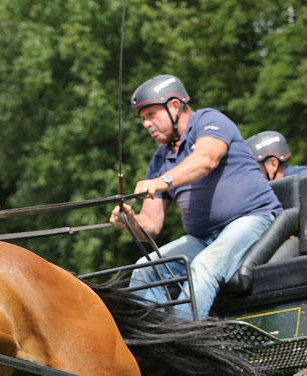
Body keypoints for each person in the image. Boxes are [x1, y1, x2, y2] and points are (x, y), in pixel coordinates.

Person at [109, 74, 282, 318]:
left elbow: (206, 160)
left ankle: (179, 343)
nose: (146, 124)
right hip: (203, 237)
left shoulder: (209, 121)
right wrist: (130, 220)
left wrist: (162, 181)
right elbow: (152, 226)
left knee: (203, 267)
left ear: (175, 105)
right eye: (142, 119)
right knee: (145, 268)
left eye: (151, 115)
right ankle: (147, 341)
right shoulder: (160, 159)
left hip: (252, 219)